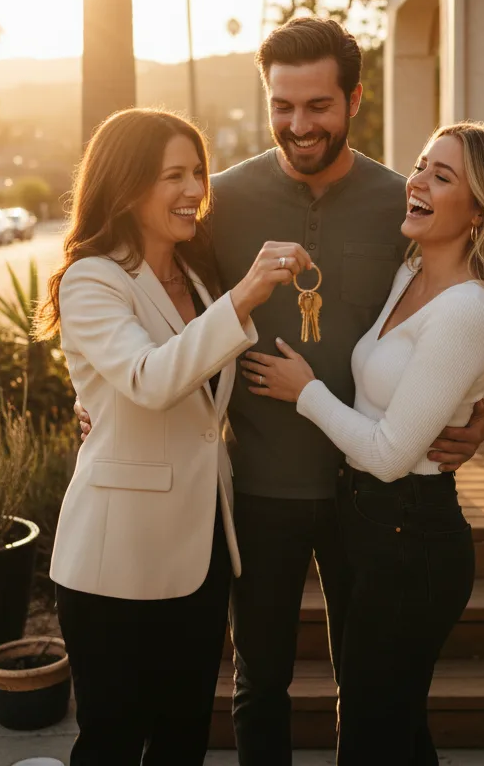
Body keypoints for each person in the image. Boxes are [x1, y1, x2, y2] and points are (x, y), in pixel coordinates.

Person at [75, 17, 484, 764]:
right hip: (254, 488)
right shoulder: (217, 202)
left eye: (318, 106)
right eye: (282, 106)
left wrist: (478, 409)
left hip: (363, 491)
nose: (299, 125)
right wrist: (91, 402)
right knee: (257, 681)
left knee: (364, 685)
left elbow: (450, 309)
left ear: (354, 99)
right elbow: (146, 298)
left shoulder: (404, 203)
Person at [239, 121, 484, 764]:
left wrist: (303, 391)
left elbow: (388, 453)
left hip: (413, 537)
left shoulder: (469, 309)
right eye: (420, 165)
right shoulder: (411, 271)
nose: (417, 183)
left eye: (443, 177)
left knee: (371, 737)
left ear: (481, 210)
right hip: (374, 524)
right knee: (393, 732)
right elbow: (411, 390)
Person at [34, 108, 314, 765]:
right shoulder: (93, 278)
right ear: (127, 186)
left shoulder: (193, 277)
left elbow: (201, 407)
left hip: (200, 551)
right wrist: (245, 294)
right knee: (112, 740)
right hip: (116, 561)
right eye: (172, 176)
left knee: (184, 739)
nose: (193, 189)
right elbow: (149, 378)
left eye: (198, 172)